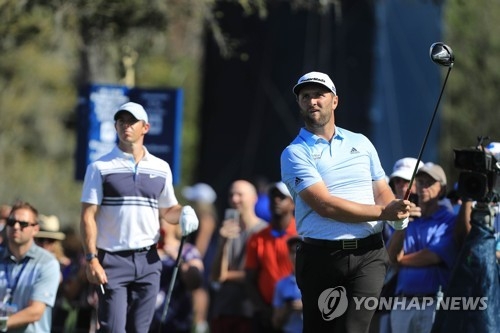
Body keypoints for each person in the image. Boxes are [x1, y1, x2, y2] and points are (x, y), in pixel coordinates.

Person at [280, 71, 411, 333]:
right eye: (306, 96)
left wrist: (398, 214)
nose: (312, 101)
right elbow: (325, 206)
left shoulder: (361, 143)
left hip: (369, 255)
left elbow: (381, 189)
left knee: (354, 329)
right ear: (300, 103)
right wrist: (384, 213)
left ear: (334, 101)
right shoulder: (294, 153)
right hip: (321, 257)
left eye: (319, 95)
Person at [79, 101, 199, 333]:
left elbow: (168, 210)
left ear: (145, 127)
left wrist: (184, 212)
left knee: (140, 329)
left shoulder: (160, 167)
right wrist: (91, 259)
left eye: (132, 121)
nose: (126, 126)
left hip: (149, 260)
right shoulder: (99, 167)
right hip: (111, 259)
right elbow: (87, 216)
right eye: (121, 121)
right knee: (113, 329)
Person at [387, 163, 458, 333]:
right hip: (403, 302)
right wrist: (403, 223)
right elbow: (391, 256)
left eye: (429, 182)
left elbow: (433, 256)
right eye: (420, 182)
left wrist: (401, 260)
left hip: (434, 302)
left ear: (441, 189)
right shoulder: (408, 217)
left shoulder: (449, 220)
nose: (423, 186)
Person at [210, 180, 268, 333]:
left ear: (254, 198)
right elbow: (216, 276)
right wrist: (223, 243)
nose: (234, 199)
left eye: (240, 195)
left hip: (251, 311)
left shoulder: (264, 232)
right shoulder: (226, 231)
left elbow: (261, 275)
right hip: (223, 310)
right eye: (231, 195)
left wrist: (226, 275)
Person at [0, 201, 61, 332]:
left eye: (23, 224)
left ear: (35, 229)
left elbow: (35, 312)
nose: (16, 227)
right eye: (11, 222)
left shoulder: (48, 263)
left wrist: (1, 324)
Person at [245, 182, 297, 333]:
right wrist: (265, 310)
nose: (276, 200)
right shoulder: (257, 238)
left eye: (282, 197)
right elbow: (250, 279)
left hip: (296, 314)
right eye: (273, 196)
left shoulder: (302, 234)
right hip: (264, 314)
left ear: (292, 203)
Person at [149, 222, 204, 333]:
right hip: (150, 319)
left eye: (165, 220)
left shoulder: (187, 250)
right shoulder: (147, 251)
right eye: (158, 219)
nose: (160, 223)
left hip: (176, 319)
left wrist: (177, 258)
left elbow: (195, 281)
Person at [181, 182, 218, 333]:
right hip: (200, 259)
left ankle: (200, 323)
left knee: (199, 289)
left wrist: (193, 260)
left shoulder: (206, 218)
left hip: (203, 260)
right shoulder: (202, 217)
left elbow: (201, 244)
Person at [272, 236, 303, 333]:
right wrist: (286, 310)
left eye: (298, 250)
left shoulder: (317, 281)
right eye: (292, 252)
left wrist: (305, 307)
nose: (295, 256)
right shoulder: (282, 284)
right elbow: (276, 323)